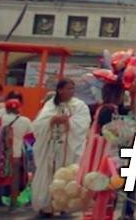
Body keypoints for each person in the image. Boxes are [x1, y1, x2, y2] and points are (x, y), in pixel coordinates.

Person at [31, 79, 91, 217]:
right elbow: (38, 124)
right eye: (69, 88)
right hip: (51, 148)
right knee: (49, 174)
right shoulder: (50, 105)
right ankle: (47, 205)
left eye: (73, 88)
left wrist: (68, 121)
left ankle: (64, 205)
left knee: (67, 175)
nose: (72, 91)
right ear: (60, 90)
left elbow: (83, 123)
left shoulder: (79, 105)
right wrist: (52, 120)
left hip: (69, 147)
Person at [0, 96, 33, 214]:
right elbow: (30, 136)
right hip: (15, 155)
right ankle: (13, 206)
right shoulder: (25, 120)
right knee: (14, 181)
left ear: (6, 108)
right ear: (19, 108)